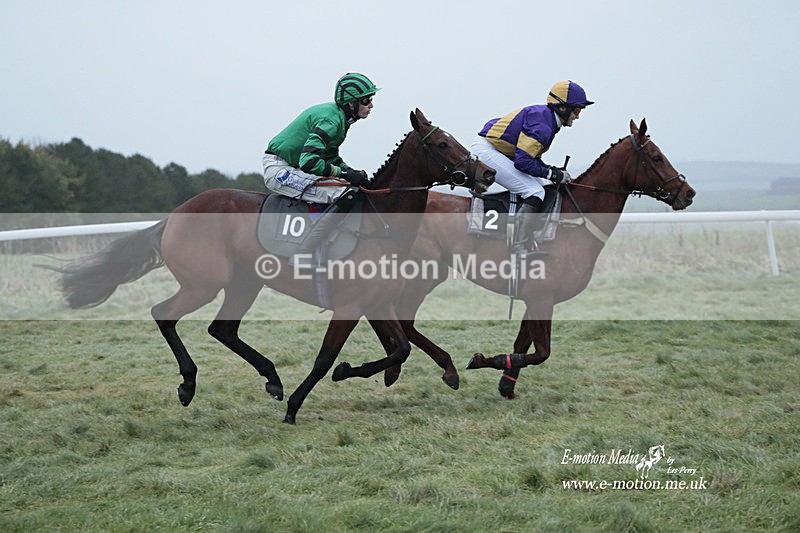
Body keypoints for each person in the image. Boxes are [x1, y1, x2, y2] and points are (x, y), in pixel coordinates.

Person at [262, 72, 379, 257]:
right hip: (280, 169)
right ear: (351, 103)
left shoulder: (340, 119)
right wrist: (346, 175)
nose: (371, 105)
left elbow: (330, 157)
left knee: (351, 188)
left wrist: (350, 171)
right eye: (366, 100)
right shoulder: (331, 120)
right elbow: (309, 162)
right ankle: (304, 252)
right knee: (342, 194)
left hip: (293, 166)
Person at [470, 80, 594, 253]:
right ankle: (519, 244)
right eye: (577, 110)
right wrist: (552, 173)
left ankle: (534, 234)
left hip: (500, 149)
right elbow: (523, 162)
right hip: (488, 151)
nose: (578, 116)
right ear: (562, 108)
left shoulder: (547, 120)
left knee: (544, 186)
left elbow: (531, 158)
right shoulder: (543, 125)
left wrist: (552, 171)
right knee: (535, 192)